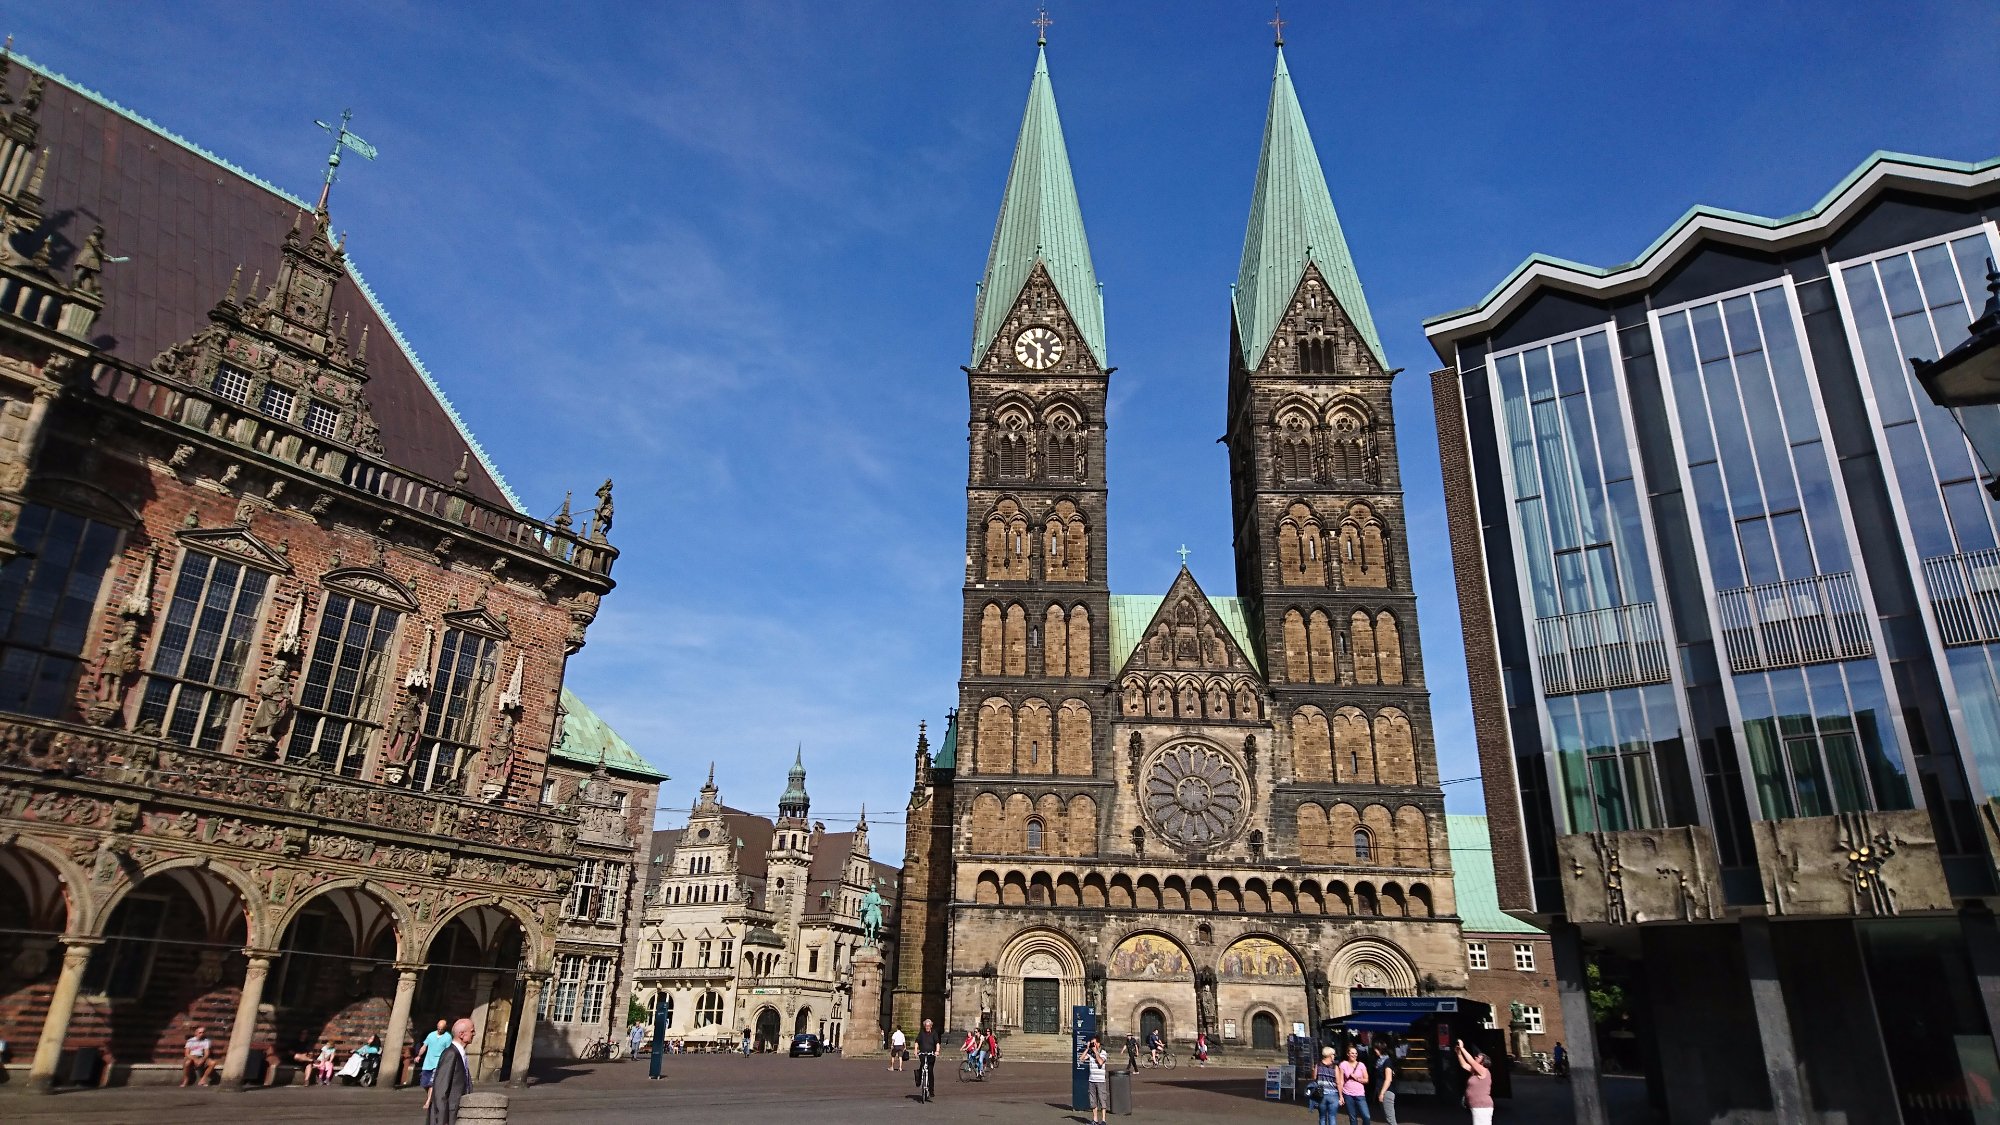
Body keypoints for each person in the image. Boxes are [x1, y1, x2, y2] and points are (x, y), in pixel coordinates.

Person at [427, 1018, 476, 1125]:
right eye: (472, 1031)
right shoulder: (451, 1054)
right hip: (449, 1116)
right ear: (461, 1034)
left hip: (458, 1112)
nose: (474, 1034)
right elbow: (441, 1089)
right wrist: (442, 1120)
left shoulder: (459, 1053)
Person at [1455, 1040, 1494, 1125]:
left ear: (1483, 1062)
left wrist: (1462, 1048)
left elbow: (1471, 1061)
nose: (1475, 1057)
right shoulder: (1475, 1072)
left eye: (1478, 1057)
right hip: (1476, 1105)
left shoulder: (1483, 1071)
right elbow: (1464, 1065)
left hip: (1482, 1106)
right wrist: (1459, 1053)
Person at [419, 1019, 454, 1107]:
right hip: (428, 1063)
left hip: (438, 1063)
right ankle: (431, 1097)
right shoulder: (431, 1035)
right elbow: (424, 1046)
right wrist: (419, 1055)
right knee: (424, 1083)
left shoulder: (448, 1037)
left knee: (432, 1083)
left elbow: (448, 1051)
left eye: (442, 1029)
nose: (440, 1030)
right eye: (438, 1028)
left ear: (445, 1028)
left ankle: (428, 1101)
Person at [1078, 1035, 1110, 1125]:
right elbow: (1081, 1059)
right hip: (1091, 1079)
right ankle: (1095, 1120)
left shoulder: (1103, 1052)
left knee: (1102, 1099)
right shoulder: (1090, 1053)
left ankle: (1103, 1120)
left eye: (1094, 1043)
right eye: (1092, 1043)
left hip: (1100, 1080)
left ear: (1098, 1044)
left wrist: (1096, 1052)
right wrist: (1088, 1048)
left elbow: (1100, 1062)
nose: (1093, 1045)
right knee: (1093, 1100)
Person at [1336, 1044, 1371, 1124]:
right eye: (1352, 1053)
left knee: (1366, 1116)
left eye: (1355, 1053)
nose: (1354, 1055)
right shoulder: (1343, 1064)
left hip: (1360, 1094)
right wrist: (1340, 1095)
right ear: (1348, 1054)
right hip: (1348, 1094)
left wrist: (1357, 1078)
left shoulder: (1361, 1065)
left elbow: (1366, 1080)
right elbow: (1341, 1081)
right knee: (1353, 1118)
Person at [1371, 1041, 1397, 1125]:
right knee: (1388, 1117)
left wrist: (1382, 1093)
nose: (1374, 1050)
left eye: (1376, 1048)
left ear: (1380, 1049)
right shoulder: (1379, 1061)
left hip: (1387, 1091)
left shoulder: (1387, 1061)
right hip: (1382, 1090)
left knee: (1390, 1119)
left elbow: (1388, 1079)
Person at [1313, 1046, 1340, 1125]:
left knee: (1322, 1117)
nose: (1334, 1056)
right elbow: (1338, 1082)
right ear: (1330, 1055)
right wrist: (1341, 1096)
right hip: (1333, 1094)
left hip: (1321, 1094)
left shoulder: (1318, 1065)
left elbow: (1314, 1078)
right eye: (1334, 1054)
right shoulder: (1335, 1067)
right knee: (1332, 1117)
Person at [915, 1018, 940, 1100]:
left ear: (931, 1026)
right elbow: (917, 1041)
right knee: (922, 1067)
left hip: (931, 1055)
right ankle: (918, 1080)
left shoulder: (934, 1033)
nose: (927, 1027)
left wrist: (937, 1051)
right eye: (926, 1026)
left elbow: (937, 1043)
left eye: (929, 1026)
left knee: (930, 1071)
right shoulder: (921, 1033)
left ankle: (931, 1090)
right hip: (923, 1054)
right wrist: (915, 1050)